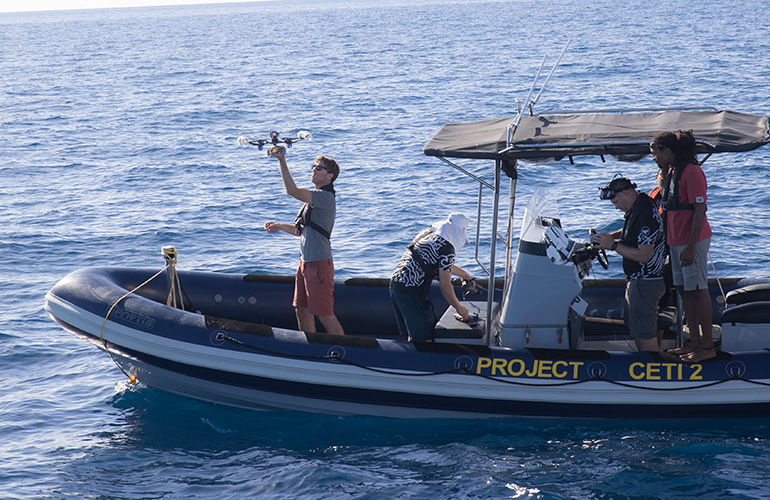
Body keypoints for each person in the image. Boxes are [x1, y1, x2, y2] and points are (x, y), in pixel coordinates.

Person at [264, 147, 344, 335]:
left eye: (319, 168)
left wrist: (281, 161)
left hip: (318, 265)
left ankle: (345, 352)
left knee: (324, 314)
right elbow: (303, 231)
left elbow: (291, 190)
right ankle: (310, 348)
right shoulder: (312, 201)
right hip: (304, 264)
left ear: (329, 176)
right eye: (313, 167)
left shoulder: (325, 198)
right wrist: (281, 226)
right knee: (301, 310)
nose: (313, 170)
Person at [651, 130, 714, 362]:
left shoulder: (693, 172)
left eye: (656, 153)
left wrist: (689, 247)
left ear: (668, 152)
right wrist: (665, 172)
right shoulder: (674, 172)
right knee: (685, 292)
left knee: (698, 290)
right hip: (675, 240)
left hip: (691, 242)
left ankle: (707, 346)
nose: (654, 158)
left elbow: (699, 211)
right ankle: (693, 343)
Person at [592, 176, 667, 351]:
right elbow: (629, 232)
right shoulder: (638, 209)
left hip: (646, 283)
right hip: (639, 282)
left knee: (644, 337)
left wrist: (613, 245)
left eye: (616, 202)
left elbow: (644, 255)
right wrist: (610, 236)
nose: (616, 207)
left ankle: (653, 371)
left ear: (626, 193)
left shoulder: (645, 216)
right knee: (639, 332)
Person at [389, 213, 475, 342]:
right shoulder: (447, 249)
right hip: (411, 292)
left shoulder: (427, 233)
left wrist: (464, 275)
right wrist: (459, 308)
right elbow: (445, 286)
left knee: (415, 333)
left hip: (396, 284)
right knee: (425, 339)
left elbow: (436, 263)